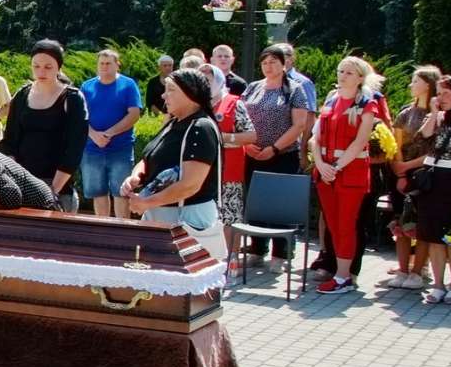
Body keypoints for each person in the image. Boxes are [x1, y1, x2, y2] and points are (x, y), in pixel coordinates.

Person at [121, 67, 225, 262]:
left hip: (188, 219)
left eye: (171, 89)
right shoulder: (173, 123)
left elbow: (190, 185)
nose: (163, 95)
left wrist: (146, 203)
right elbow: (149, 158)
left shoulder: (200, 128)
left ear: (190, 94)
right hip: (161, 214)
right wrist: (136, 177)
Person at [305, 56, 383, 293]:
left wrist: (335, 167)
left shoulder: (367, 104)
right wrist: (320, 164)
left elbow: (360, 142)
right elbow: (315, 138)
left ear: (360, 77)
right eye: (341, 71)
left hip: (350, 174)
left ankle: (343, 277)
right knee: (333, 224)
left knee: (346, 225)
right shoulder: (331, 100)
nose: (342, 76)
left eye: (349, 72)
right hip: (325, 172)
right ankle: (340, 273)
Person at [240, 43, 311, 262]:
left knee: (280, 205)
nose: (268, 66)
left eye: (273, 62)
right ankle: (257, 248)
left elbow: (299, 125)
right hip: (253, 154)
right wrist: (246, 144)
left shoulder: (294, 89)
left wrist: (275, 148)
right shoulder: (253, 87)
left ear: (284, 64)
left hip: (283, 155)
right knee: (256, 202)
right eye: (264, 63)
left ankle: (281, 253)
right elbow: (240, 116)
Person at [0, 40, 88, 212]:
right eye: (36, 66)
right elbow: (9, 141)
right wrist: (15, 180)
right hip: (22, 184)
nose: (41, 72)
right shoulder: (22, 95)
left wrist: (52, 190)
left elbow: (74, 150)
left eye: (48, 67)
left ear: (58, 67)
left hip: (58, 189)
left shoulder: (72, 98)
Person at [387, 66, 442, 290]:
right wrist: (399, 170)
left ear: (428, 85)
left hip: (424, 174)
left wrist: (408, 166)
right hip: (401, 172)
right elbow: (395, 142)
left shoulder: (438, 114)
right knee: (400, 222)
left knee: (421, 225)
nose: (411, 85)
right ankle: (402, 269)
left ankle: (418, 271)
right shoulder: (405, 112)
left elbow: (434, 149)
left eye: (415, 81)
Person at [202, 62, 256, 263]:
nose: (205, 84)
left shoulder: (233, 102)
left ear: (217, 80)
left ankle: (230, 260)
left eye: (208, 80)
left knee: (230, 216)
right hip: (202, 171)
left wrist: (224, 138)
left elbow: (251, 135)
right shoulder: (196, 104)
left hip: (228, 171)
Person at [79, 49, 142, 218]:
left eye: (108, 63)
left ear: (117, 65)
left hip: (120, 148)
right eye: (101, 63)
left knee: (121, 192)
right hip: (92, 149)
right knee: (97, 192)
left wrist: (109, 134)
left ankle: (122, 229)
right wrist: (94, 135)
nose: (104, 67)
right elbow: (80, 116)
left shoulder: (128, 85)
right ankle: (102, 229)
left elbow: (134, 114)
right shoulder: (86, 86)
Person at [415, 76, 451, 305]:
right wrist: (434, 112)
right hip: (433, 179)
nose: (440, 98)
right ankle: (438, 285)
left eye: (446, 93)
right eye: (438, 93)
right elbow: (424, 135)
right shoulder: (438, 117)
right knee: (433, 234)